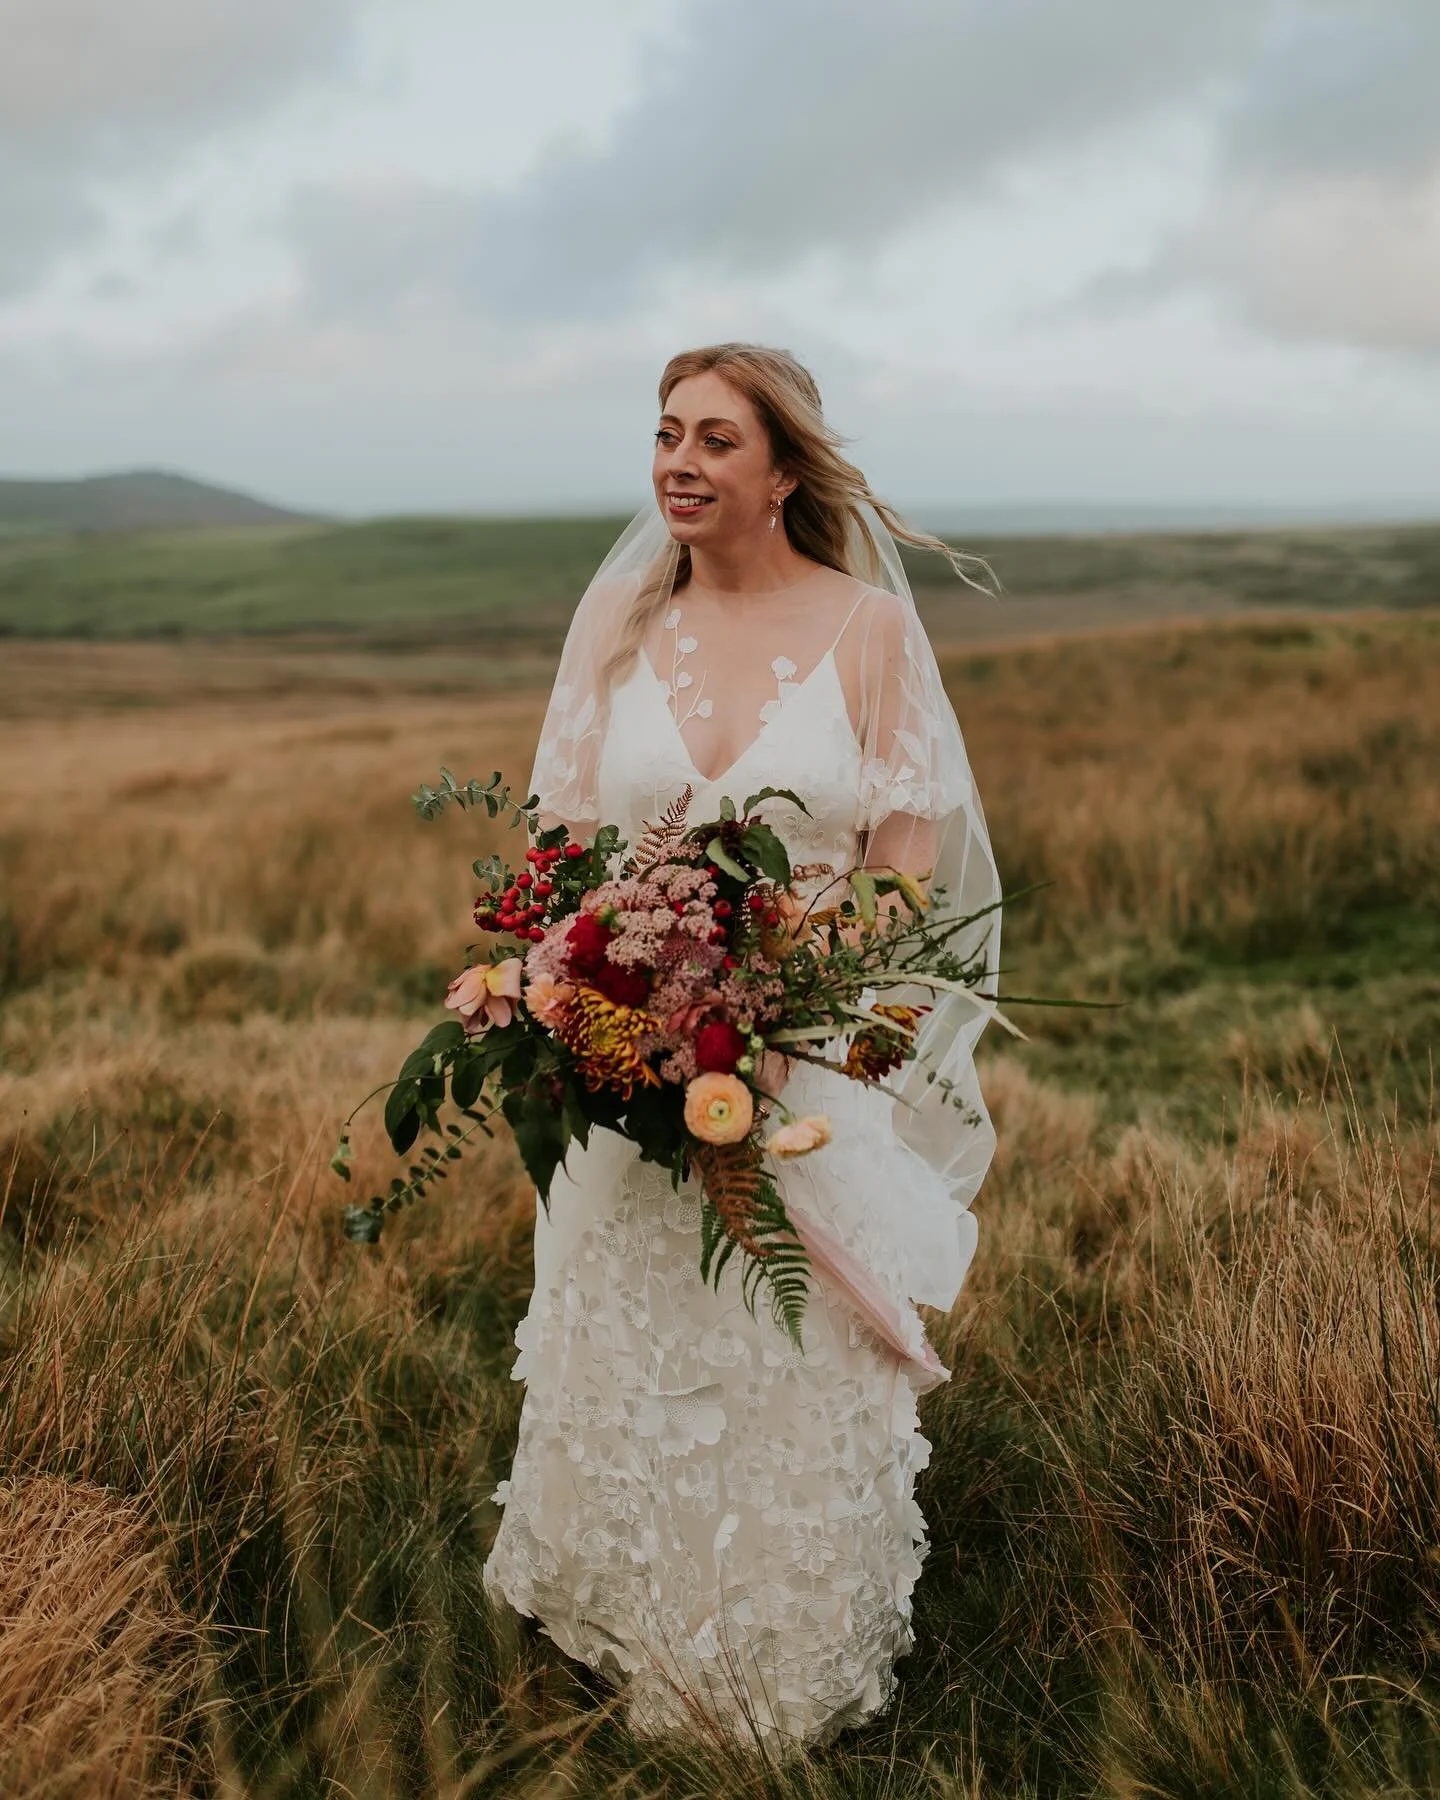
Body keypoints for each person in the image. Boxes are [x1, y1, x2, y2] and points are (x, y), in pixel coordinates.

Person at [481, 342, 1002, 1748]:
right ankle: (619, 1618)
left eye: (717, 439)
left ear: (782, 473)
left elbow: (902, 866)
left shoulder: (869, 633)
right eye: (667, 434)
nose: (680, 462)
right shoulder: (616, 622)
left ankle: (781, 1652)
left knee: (785, 1353)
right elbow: (560, 849)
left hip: (807, 1062)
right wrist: (589, 991)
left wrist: (784, 1000)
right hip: (628, 1056)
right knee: (640, 1335)